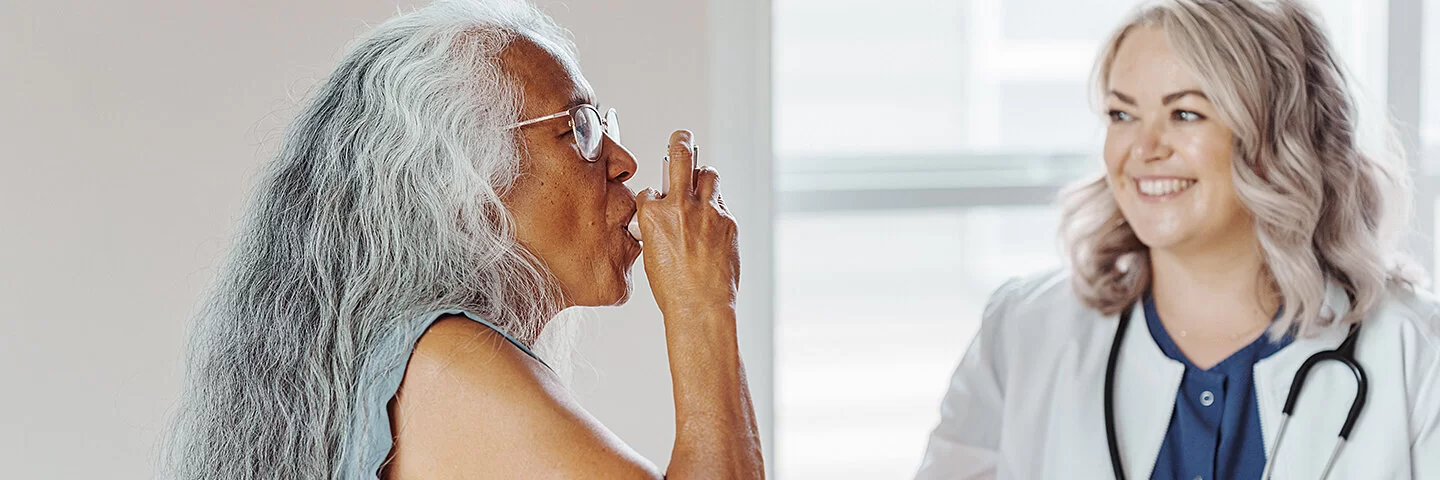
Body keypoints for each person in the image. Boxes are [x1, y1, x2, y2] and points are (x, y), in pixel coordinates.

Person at [162, 1, 764, 478]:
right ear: (467, 184)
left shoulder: (425, 365)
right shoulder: (449, 365)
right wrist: (702, 304)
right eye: (578, 128)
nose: (623, 161)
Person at [916, 0, 1440, 478]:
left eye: (1185, 113)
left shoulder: (1416, 353)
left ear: (1281, 135)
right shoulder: (1023, 330)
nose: (1142, 148)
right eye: (1122, 115)